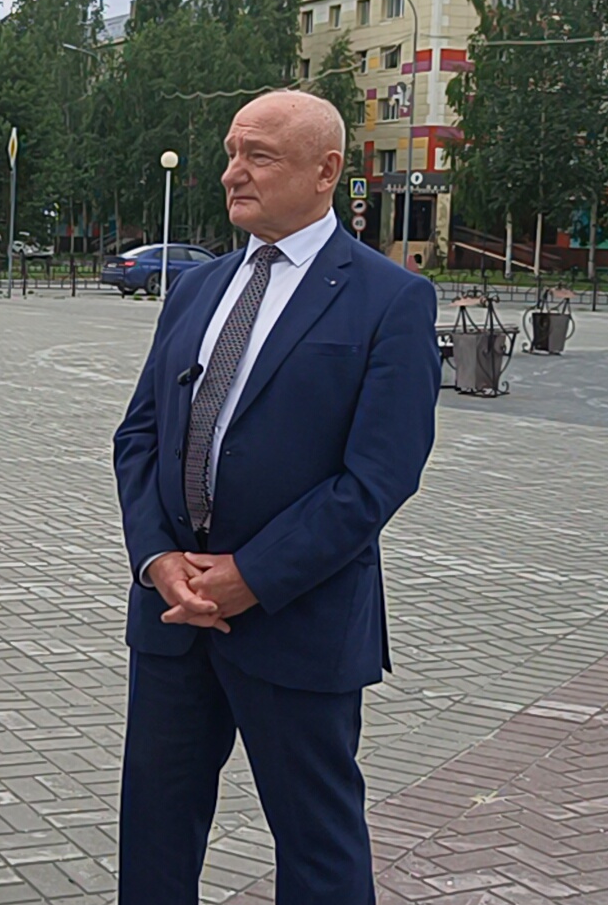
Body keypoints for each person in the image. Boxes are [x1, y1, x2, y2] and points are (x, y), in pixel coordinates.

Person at [112, 90, 440, 903]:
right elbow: (140, 436)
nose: (233, 172)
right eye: (232, 153)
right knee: (155, 837)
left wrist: (251, 576)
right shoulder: (196, 289)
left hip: (297, 620)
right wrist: (158, 560)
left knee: (317, 846)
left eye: (258, 155)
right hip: (173, 617)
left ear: (326, 171)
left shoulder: (388, 300)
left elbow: (378, 477)